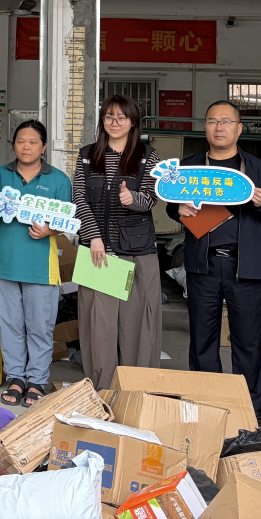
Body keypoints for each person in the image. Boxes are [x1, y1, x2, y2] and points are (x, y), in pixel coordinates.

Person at [165, 100, 261, 423]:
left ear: (239, 128)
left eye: (226, 121)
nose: (219, 127)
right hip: (203, 265)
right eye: (213, 121)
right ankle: (206, 405)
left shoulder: (258, 170)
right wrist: (178, 209)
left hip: (246, 267)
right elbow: (172, 205)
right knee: (203, 339)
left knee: (248, 341)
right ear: (205, 127)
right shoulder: (190, 168)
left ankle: (250, 408)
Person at [0, 119, 71, 408]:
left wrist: (50, 230)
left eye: (33, 142)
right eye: (20, 141)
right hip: (5, 264)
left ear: (43, 147)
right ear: (14, 145)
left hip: (41, 267)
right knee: (9, 326)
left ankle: (37, 380)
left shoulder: (58, 180)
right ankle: (16, 377)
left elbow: (67, 221)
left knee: (40, 327)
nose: (26, 146)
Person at [72, 95, 163, 390]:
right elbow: (78, 198)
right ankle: (102, 391)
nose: (114, 122)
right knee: (99, 328)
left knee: (138, 326)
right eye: (109, 117)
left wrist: (132, 199)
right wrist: (93, 237)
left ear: (133, 122)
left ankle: (137, 390)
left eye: (121, 117)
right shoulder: (87, 155)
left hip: (137, 252)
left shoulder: (148, 156)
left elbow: (152, 198)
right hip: (98, 254)